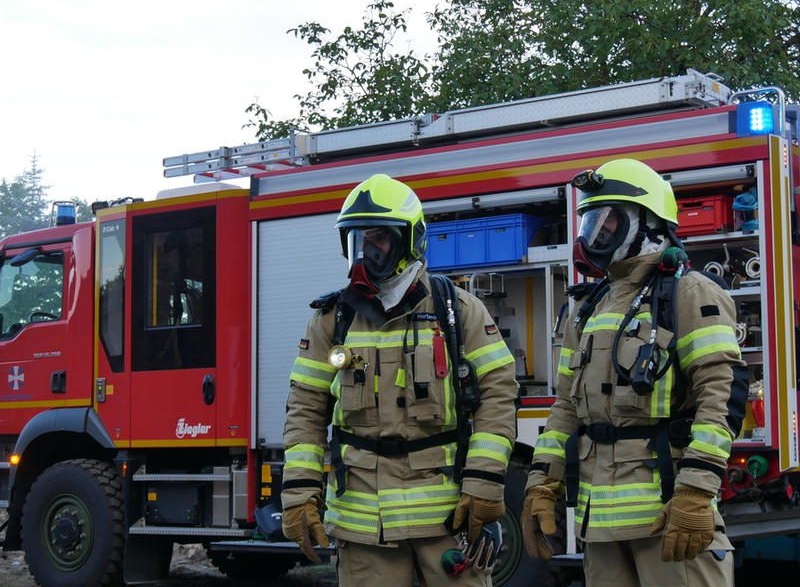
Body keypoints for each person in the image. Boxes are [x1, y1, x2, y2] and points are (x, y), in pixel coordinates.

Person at [281, 174, 519, 587]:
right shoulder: (330, 320)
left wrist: (483, 484)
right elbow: (305, 409)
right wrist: (300, 493)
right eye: (357, 240)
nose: (365, 252)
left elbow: (498, 399)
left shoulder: (458, 311)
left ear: (411, 240)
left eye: (378, 240)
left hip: (445, 521)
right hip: (364, 528)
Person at [521, 159, 748, 587]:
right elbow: (566, 407)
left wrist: (697, 490)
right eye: (591, 222)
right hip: (600, 527)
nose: (594, 235)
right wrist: (540, 484)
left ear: (648, 224)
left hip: (670, 519)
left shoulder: (690, 293)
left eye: (608, 222)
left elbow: (721, 395)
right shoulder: (588, 306)